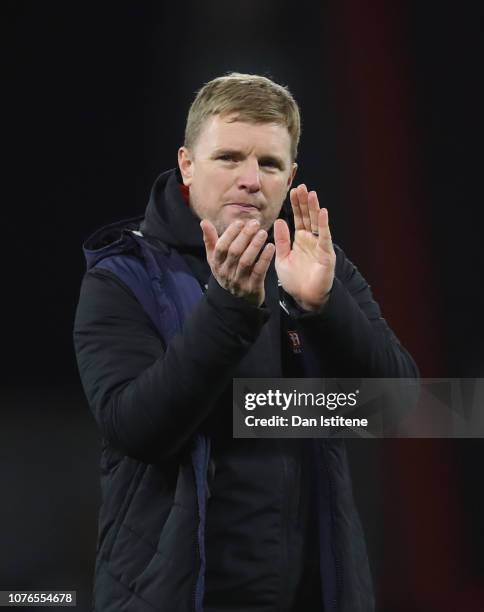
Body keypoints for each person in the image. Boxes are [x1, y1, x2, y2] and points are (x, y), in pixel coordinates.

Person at [74, 72, 418, 612]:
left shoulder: (318, 268)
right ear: (187, 164)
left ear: (291, 177)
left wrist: (325, 310)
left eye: (270, 164)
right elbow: (135, 428)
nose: (250, 180)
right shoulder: (123, 277)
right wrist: (229, 310)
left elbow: (408, 410)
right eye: (229, 157)